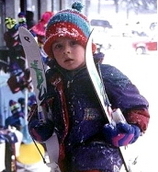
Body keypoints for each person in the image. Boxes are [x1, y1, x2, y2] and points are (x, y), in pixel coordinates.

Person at [28, 2, 150, 172]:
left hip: (101, 154)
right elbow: (38, 110)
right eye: (58, 46)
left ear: (87, 46)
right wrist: (37, 128)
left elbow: (137, 107)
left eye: (73, 43)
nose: (66, 51)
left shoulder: (107, 75)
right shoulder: (51, 81)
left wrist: (131, 130)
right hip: (66, 155)